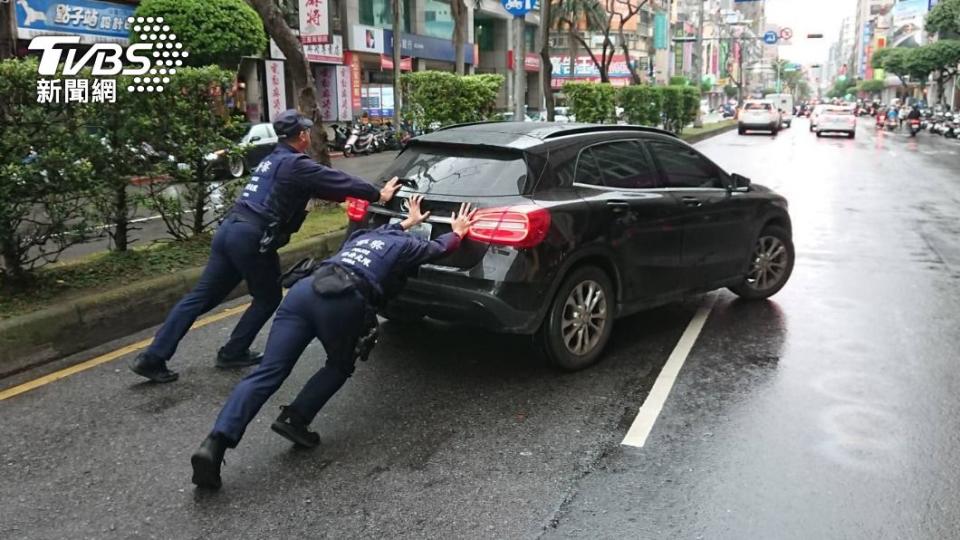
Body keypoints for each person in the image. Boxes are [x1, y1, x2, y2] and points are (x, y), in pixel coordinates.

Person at [190, 195, 476, 489]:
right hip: (342, 300)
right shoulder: (406, 246)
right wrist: (457, 231)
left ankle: (214, 443)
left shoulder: (363, 236)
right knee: (340, 364)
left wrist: (407, 221)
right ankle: (296, 419)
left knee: (268, 372)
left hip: (304, 292)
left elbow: (388, 233)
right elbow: (440, 248)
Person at [129, 110, 401, 383]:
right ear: (303, 135)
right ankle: (233, 351)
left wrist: (347, 196)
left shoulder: (273, 160)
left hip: (230, 230)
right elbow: (339, 181)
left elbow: (323, 188)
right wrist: (378, 193)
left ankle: (152, 357)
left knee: (200, 297)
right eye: (306, 131)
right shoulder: (297, 165)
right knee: (268, 297)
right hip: (251, 238)